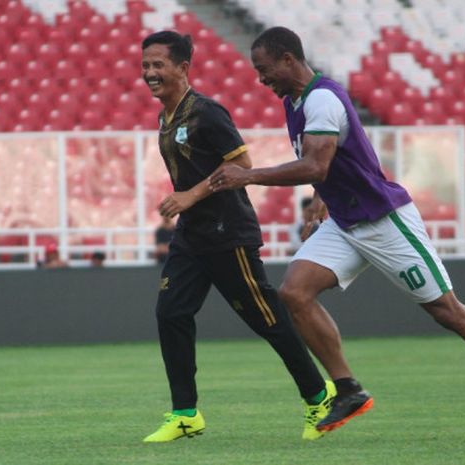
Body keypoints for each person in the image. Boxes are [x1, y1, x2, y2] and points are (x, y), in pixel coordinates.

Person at [209, 26, 465, 430]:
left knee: (448, 312)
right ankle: (349, 389)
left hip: (384, 220)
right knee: (294, 293)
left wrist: (249, 177)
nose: (260, 78)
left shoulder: (321, 99)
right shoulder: (296, 101)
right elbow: (329, 162)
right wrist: (321, 201)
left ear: (288, 59)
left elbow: (316, 164)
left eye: (264, 69)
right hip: (346, 221)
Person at [140, 30, 358, 443]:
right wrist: (187, 204)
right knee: (171, 313)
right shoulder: (166, 117)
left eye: (158, 65)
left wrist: (191, 195)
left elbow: (242, 164)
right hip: (192, 236)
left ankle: (318, 398)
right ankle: (186, 413)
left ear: (183, 68)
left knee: (266, 319)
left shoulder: (206, 112)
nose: (150, 73)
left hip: (227, 233)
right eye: (146, 65)